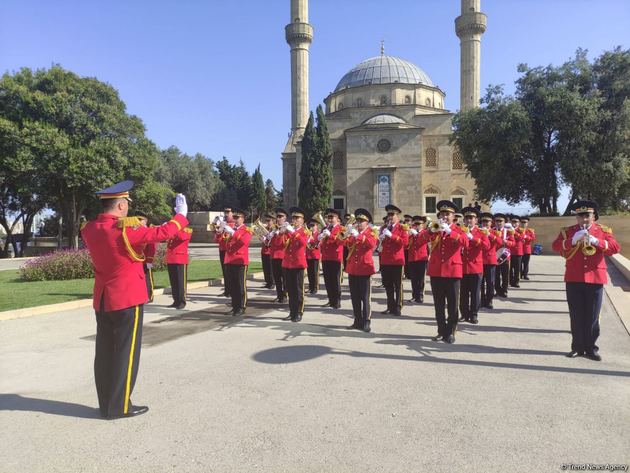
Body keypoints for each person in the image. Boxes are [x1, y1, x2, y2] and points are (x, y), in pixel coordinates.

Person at [81, 180, 188, 419]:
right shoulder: (125, 229)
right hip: (127, 296)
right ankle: (120, 406)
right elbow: (161, 233)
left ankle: (107, 403)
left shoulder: (89, 228)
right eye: (127, 204)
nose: (128, 209)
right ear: (120, 205)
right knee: (126, 354)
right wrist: (180, 216)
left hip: (103, 298)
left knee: (105, 353)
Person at [552, 200, 620, 361]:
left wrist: (597, 242)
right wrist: (572, 240)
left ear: (594, 216)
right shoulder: (568, 231)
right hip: (574, 278)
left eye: (587, 215)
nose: (583, 219)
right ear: (576, 217)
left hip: (595, 278)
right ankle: (577, 347)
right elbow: (555, 246)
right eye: (580, 216)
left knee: (592, 316)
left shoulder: (602, 231)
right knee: (576, 315)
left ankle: (591, 348)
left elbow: (615, 248)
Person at [419, 200, 467, 343]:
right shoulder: (435, 229)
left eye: (448, 214)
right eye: (442, 214)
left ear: (453, 216)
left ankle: (451, 332)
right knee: (438, 305)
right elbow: (420, 241)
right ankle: (441, 330)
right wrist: (430, 230)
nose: (445, 216)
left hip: (452, 271)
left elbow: (465, 242)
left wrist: (449, 231)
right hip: (436, 272)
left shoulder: (459, 230)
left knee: (452, 305)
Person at [344, 209, 378, 332]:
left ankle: (366, 320)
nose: (359, 223)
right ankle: (357, 320)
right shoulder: (354, 233)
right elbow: (346, 244)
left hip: (365, 268)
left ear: (367, 223)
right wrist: (347, 234)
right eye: (358, 221)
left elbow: (371, 245)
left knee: (365, 297)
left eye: (362, 221)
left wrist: (358, 235)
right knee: (355, 297)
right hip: (353, 268)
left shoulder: (371, 232)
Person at [459, 207, 490, 324]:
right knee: (463, 293)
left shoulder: (481, 232)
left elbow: (486, 246)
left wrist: (472, 238)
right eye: (466, 218)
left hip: (475, 267)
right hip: (462, 267)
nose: (468, 220)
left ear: (476, 220)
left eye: (471, 218)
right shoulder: (460, 230)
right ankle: (464, 313)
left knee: (475, 292)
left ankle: (473, 314)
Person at [378, 204, 409, 317]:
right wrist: (380, 238)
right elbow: (379, 245)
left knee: (398, 285)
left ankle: (398, 306)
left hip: (397, 260)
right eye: (389, 215)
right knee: (388, 285)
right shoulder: (383, 228)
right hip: (386, 260)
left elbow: (405, 243)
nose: (390, 217)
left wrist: (391, 236)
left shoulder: (402, 228)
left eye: (392, 215)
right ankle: (390, 306)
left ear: (397, 216)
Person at [223, 209, 252, 316]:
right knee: (232, 286)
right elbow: (222, 243)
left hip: (240, 261)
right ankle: (234, 306)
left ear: (243, 219)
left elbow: (244, 241)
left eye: (237, 218)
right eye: (234, 218)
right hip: (230, 260)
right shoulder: (232, 229)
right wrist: (221, 232)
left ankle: (241, 306)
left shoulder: (247, 230)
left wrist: (232, 233)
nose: (235, 220)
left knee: (240, 285)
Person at [282, 207, 309, 322]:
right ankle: (292, 311)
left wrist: (293, 232)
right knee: (290, 290)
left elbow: (303, 243)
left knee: (298, 290)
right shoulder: (289, 231)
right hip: (288, 264)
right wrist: (282, 233)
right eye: (293, 218)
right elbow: (283, 245)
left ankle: (299, 312)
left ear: (302, 220)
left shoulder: (305, 231)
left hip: (298, 264)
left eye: (297, 218)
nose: (295, 220)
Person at [319, 209, 344, 309]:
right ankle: (330, 300)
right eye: (328, 217)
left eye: (331, 217)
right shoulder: (325, 228)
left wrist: (331, 235)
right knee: (328, 281)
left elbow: (340, 242)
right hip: (326, 257)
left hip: (335, 257)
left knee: (335, 280)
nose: (329, 219)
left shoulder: (341, 228)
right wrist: (320, 238)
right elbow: (322, 243)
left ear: (337, 218)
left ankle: (337, 301)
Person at [166, 221, 193, 309]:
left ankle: (182, 301)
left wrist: (173, 229)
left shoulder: (187, 231)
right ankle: (176, 300)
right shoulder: (175, 231)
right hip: (171, 258)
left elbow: (181, 237)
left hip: (180, 259)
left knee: (181, 282)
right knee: (173, 281)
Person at [480, 212, 503, 309]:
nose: (485, 223)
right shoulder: (478, 231)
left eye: (487, 221)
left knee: (490, 283)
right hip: (480, 260)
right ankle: (481, 300)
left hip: (490, 260)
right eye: (483, 221)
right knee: (480, 283)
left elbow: (500, 242)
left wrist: (489, 234)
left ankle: (489, 301)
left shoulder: (494, 232)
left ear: (491, 223)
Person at [134, 211, 156, 303]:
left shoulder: (149, 231)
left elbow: (152, 247)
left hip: (146, 260)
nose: (138, 221)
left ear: (145, 221)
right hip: (138, 261)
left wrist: (149, 260)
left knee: (148, 279)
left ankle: (149, 296)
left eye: (140, 219)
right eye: (137, 219)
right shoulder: (136, 231)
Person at [407, 216, 429, 303]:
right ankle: (414, 295)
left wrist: (416, 234)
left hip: (421, 258)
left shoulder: (425, 232)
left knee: (421, 279)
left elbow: (423, 240)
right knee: (413, 279)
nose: (416, 225)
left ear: (423, 225)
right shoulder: (411, 234)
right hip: (412, 258)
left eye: (418, 224)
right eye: (414, 224)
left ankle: (420, 295)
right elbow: (407, 245)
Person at [269, 208, 289, 303]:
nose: (279, 218)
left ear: (285, 218)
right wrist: (266, 237)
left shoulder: (288, 229)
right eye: (277, 216)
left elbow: (286, 243)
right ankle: (279, 294)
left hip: (283, 256)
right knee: (276, 277)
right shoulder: (274, 228)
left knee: (285, 278)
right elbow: (268, 243)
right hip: (274, 255)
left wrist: (279, 234)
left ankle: (285, 295)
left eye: (281, 216)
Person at [214, 208, 235, 297]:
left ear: (232, 213)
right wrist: (217, 228)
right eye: (225, 212)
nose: (226, 214)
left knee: (231, 271)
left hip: (229, 250)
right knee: (225, 271)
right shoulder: (222, 223)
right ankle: (227, 291)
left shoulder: (234, 224)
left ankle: (232, 290)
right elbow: (217, 239)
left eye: (228, 212)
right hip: (222, 249)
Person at [493, 213, 514, 298]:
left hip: (505, 256)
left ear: (504, 222)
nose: (499, 222)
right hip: (494, 256)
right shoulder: (492, 231)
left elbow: (513, 243)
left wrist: (507, 242)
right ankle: (498, 290)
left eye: (500, 221)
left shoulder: (508, 231)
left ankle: (504, 290)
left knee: (505, 274)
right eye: (497, 221)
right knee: (496, 275)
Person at [259, 212, 276, 289]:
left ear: (273, 221)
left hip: (270, 251)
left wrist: (266, 240)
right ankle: (268, 282)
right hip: (264, 250)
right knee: (265, 268)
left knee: (271, 268)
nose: (267, 222)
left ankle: (272, 282)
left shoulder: (274, 230)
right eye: (266, 221)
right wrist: (261, 238)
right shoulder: (266, 229)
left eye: (269, 221)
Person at [306, 216, 321, 294]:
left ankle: (315, 288)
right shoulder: (308, 234)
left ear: (317, 226)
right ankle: (310, 287)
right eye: (310, 226)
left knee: (314, 273)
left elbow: (318, 245)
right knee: (309, 272)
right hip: (308, 255)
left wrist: (312, 239)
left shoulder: (318, 234)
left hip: (315, 255)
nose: (311, 227)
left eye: (313, 225)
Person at [508, 215, 524, 288]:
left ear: (519, 223)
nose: (514, 223)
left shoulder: (520, 230)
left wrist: (514, 232)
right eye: (513, 221)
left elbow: (521, 237)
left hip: (518, 251)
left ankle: (516, 281)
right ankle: (510, 281)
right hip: (509, 251)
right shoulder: (508, 229)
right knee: (510, 268)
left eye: (516, 222)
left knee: (517, 268)